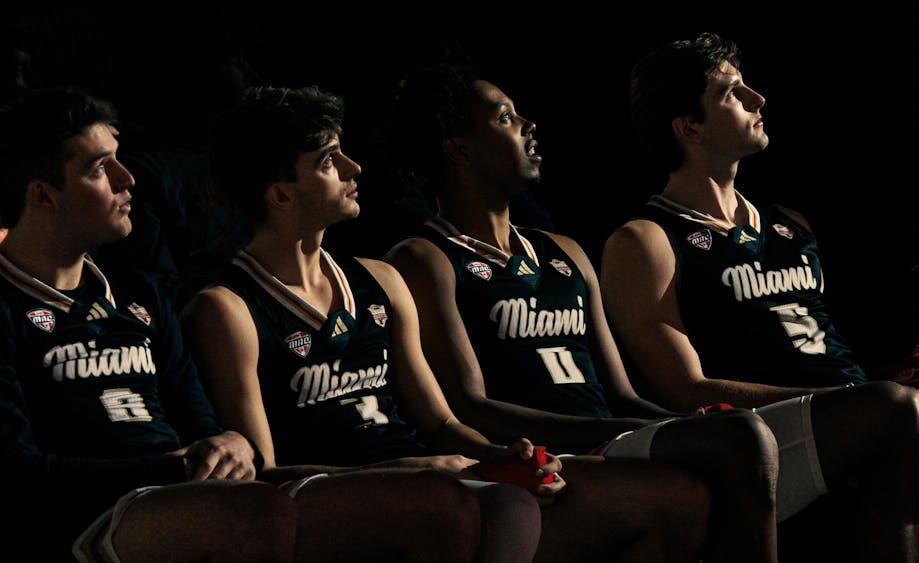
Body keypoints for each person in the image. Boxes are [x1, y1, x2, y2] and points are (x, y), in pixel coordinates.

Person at [182, 84, 714, 563]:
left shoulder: (379, 279)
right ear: (280, 193)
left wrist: (502, 456)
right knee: (489, 511)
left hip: (444, 479)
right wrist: (416, 474)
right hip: (353, 501)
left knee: (679, 499)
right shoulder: (227, 307)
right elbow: (267, 477)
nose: (354, 168)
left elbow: (441, 423)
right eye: (328, 160)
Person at [0, 86, 486, 563]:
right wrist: (175, 468)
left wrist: (227, 443)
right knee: (259, 512)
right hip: (82, 513)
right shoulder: (8, 304)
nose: (129, 179)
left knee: (469, 508)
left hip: (177, 492)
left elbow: (203, 425)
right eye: (101, 168)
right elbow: (19, 469)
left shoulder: (140, 294)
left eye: (120, 159)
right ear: (43, 195)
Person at [601, 32, 919, 562]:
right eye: (732, 93)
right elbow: (682, 387)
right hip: (761, 437)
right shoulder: (646, 238)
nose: (757, 100)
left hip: (857, 410)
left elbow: (825, 348)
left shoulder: (790, 224)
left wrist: (864, 391)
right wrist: (846, 401)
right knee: (891, 407)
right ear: (688, 126)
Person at [382, 63, 788, 563]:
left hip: (604, 443)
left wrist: (679, 424)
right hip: (541, 457)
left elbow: (621, 394)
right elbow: (469, 405)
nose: (529, 125)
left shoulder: (565, 250)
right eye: (506, 118)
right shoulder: (424, 257)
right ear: (458, 148)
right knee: (717, 460)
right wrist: (621, 433)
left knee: (731, 435)